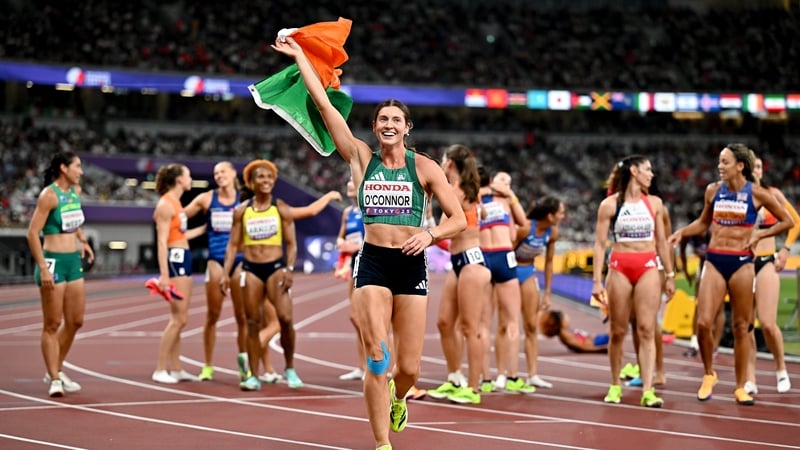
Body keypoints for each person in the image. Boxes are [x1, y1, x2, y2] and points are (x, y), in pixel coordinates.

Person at [273, 37, 466, 450]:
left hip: (411, 264)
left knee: (409, 368)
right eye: (382, 119)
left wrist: (429, 234)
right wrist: (302, 57)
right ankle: (382, 444)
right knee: (378, 356)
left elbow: (459, 219)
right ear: (376, 126)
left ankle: (400, 397)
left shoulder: (425, 167)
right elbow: (325, 106)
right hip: (374, 262)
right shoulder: (361, 158)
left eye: (397, 119)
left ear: (407, 127)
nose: (389, 124)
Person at [668, 144, 793, 405]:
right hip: (714, 260)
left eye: (724, 162)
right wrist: (683, 232)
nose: (719, 166)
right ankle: (709, 373)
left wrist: (761, 233)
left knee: (740, 327)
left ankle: (739, 386)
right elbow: (703, 223)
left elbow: (788, 221)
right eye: (719, 162)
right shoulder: (713, 190)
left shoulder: (758, 194)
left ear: (740, 166)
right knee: (703, 322)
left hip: (742, 264)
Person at [592, 154, 675, 408]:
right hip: (619, 266)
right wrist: (596, 281)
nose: (651, 174)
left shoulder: (656, 204)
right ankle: (615, 384)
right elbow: (599, 244)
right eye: (647, 169)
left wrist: (670, 274)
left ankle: (648, 390)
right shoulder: (609, 205)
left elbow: (661, 242)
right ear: (633, 171)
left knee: (647, 329)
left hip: (648, 266)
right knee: (617, 330)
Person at [427, 144, 491, 405]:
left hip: (472, 262)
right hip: (458, 260)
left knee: (469, 327)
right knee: (444, 322)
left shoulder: (458, 191)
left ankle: (473, 388)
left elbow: (444, 230)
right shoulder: (461, 191)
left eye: (443, 160)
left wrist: (427, 230)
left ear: (450, 163)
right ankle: (455, 378)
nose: (441, 164)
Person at [27, 151, 95, 397]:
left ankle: (55, 367)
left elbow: (74, 222)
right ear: (64, 168)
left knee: (76, 321)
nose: (81, 171)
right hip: (53, 262)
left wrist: (83, 240)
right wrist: (43, 267)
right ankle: (54, 377)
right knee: (52, 324)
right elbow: (32, 233)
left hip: (72, 261)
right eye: (78, 166)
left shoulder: (74, 193)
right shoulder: (49, 195)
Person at [182, 161, 249, 382]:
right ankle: (208, 365)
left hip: (240, 259)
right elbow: (179, 216)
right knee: (212, 316)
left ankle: (244, 364)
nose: (219, 176)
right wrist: (190, 232)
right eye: (215, 173)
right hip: (216, 260)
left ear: (233, 173)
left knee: (242, 317)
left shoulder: (245, 200)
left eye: (222, 172)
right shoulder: (206, 198)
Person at [745, 155, 799, 394]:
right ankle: (750, 378)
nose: (756, 170)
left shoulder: (773, 194)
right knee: (745, 326)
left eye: (759, 166)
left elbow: (795, 221)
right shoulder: (737, 195)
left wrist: (785, 249)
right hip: (742, 264)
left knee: (767, 323)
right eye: (752, 166)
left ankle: (780, 369)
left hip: (766, 261)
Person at [478, 170, 534, 394]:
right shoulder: (478, 195)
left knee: (511, 321)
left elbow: (524, 223)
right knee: (483, 323)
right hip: (482, 255)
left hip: (504, 255)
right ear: (492, 181)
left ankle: (510, 375)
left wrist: (511, 195)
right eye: (503, 179)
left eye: (510, 181)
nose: (506, 183)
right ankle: (485, 378)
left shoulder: (507, 201)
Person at [151, 163, 206, 384]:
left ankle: (176, 367)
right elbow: (163, 242)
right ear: (179, 180)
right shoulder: (166, 205)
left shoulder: (177, 204)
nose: (191, 178)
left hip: (183, 256)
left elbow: (180, 235)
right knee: (178, 318)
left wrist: (204, 229)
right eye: (188, 175)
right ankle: (160, 368)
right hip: (174, 260)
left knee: (181, 319)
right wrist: (164, 275)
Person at [516, 195, 565, 389]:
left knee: (530, 326)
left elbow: (550, 262)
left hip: (528, 272)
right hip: (510, 272)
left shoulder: (552, 232)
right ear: (550, 215)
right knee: (505, 324)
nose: (563, 216)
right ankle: (501, 374)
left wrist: (547, 294)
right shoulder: (526, 227)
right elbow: (505, 252)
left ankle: (532, 374)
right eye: (561, 212)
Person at [336, 178, 367, 381]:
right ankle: (361, 366)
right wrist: (341, 243)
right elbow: (340, 236)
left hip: (367, 261)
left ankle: (373, 364)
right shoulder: (348, 213)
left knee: (360, 317)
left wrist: (356, 247)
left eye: (353, 182)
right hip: (353, 262)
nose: (349, 185)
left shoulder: (368, 209)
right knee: (356, 318)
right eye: (348, 183)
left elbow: (374, 238)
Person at [539, 310, 609, 353]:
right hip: (600, 342)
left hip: (600, 339)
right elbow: (583, 347)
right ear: (560, 322)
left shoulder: (568, 331)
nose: (568, 319)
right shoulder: (566, 336)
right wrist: (604, 348)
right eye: (565, 318)